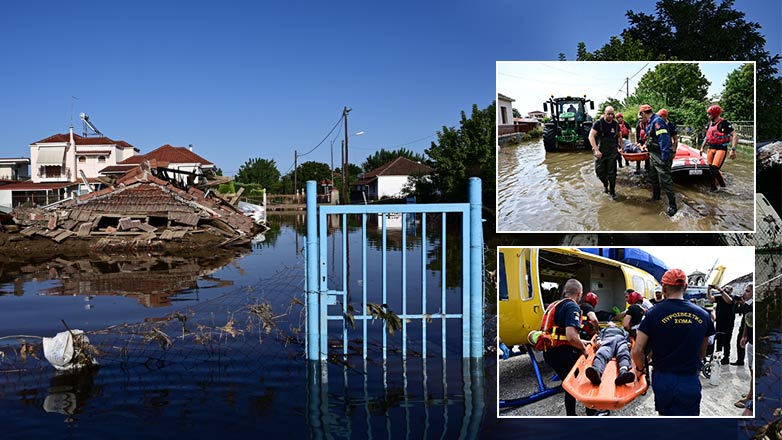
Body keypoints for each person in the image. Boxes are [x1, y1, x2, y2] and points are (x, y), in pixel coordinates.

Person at [632, 268, 715, 416]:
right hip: (689, 378)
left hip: (663, 378)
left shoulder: (652, 313)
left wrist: (640, 369)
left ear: (663, 288)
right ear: (686, 287)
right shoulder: (703, 315)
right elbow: (703, 352)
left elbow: (637, 350)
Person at [540, 279, 603, 416]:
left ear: (565, 291)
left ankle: (572, 415)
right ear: (579, 294)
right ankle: (591, 412)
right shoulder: (572, 306)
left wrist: (582, 341)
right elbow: (571, 337)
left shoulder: (555, 304)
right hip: (562, 353)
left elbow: (562, 334)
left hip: (550, 352)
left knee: (570, 384)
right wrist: (584, 349)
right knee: (585, 377)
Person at [639, 104, 677, 216]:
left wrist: (664, 158)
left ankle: (673, 205)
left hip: (661, 156)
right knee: (653, 176)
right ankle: (656, 197)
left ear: (643, 113)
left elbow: (664, 140)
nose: (641, 118)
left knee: (665, 180)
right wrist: (646, 145)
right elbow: (651, 137)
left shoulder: (657, 122)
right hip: (653, 155)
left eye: (641, 115)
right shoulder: (651, 122)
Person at [699, 105, 738, 192]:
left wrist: (733, 150)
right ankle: (713, 189)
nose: (707, 115)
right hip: (710, 148)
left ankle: (724, 187)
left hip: (721, 148)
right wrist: (702, 148)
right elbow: (707, 137)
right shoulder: (709, 124)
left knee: (714, 169)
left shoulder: (724, 123)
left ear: (715, 114)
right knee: (711, 170)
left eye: (709, 114)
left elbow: (735, 135)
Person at [589, 106, 621, 199]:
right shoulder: (598, 123)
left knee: (612, 174)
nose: (610, 116)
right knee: (599, 173)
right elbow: (591, 136)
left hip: (612, 152)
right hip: (601, 152)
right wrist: (596, 150)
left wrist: (620, 146)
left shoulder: (615, 124)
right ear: (604, 113)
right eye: (608, 114)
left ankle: (612, 192)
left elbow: (620, 135)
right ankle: (605, 185)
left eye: (612, 114)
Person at [706, 285, 735, 365]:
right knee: (718, 339)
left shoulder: (732, 297)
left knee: (726, 340)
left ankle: (726, 357)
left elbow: (729, 301)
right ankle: (717, 356)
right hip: (719, 322)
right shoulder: (719, 297)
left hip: (728, 323)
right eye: (725, 287)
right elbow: (710, 299)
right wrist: (708, 290)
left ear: (731, 291)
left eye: (728, 288)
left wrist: (721, 290)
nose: (726, 288)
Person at [732, 284, 753, 366]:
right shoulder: (747, 305)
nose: (745, 293)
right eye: (745, 291)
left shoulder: (751, 305)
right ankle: (740, 360)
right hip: (745, 328)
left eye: (748, 291)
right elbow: (745, 319)